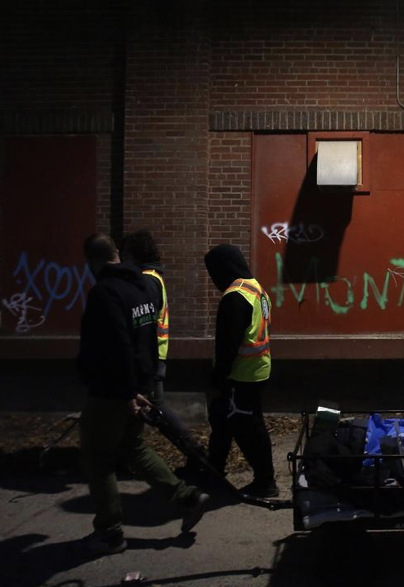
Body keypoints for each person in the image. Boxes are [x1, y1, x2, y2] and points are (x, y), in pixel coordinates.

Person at [76, 233, 206, 555]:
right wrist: (143, 385)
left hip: (113, 391)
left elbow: (117, 346)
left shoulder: (105, 293)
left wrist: (127, 392)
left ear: (92, 262)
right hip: (138, 385)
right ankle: (186, 496)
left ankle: (109, 533)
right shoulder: (144, 288)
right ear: (117, 254)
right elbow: (147, 339)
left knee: (98, 459)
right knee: (132, 448)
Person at [121, 231, 211, 472]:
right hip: (153, 356)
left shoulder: (147, 281)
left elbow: (144, 323)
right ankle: (194, 454)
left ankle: (196, 454)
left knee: (156, 409)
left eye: (125, 254)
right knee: (151, 409)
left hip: (150, 357)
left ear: (133, 254)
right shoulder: (153, 278)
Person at [203, 244, 278, 498]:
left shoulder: (234, 297)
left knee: (248, 429)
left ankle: (265, 481)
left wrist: (217, 378)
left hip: (240, 376)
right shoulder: (256, 288)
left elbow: (227, 346)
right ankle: (214, 471)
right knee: (224, 422)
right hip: (258, 369)